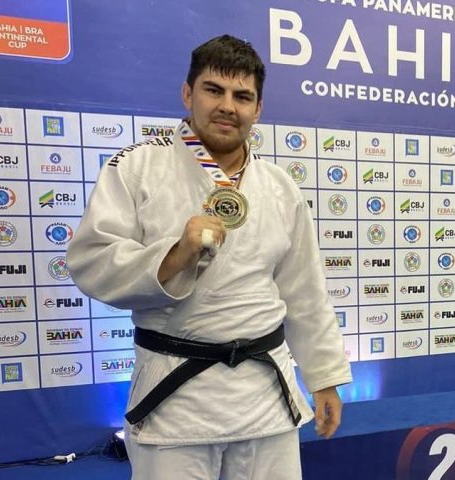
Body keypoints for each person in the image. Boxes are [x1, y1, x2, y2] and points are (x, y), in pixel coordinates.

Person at [67, 35, 352, 479]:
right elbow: (91, 262)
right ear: (188, 93)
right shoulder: (137, 167)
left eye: (243, 96)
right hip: (175, 395)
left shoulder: (280, 187)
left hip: (264, 397)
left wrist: (323, 377)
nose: (228, 106)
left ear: (257, 110)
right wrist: (175, 255)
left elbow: (305, 291)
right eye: (213, 90)